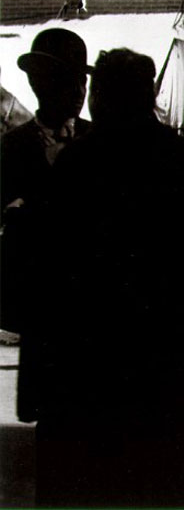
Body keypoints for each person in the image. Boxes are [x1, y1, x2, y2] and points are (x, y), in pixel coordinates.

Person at [27, 49, 184, 507]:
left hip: (88, 367)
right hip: (170, 368)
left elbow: (46, 269)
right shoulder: (179, 158)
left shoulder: (78, 163)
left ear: (100, 96)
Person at [0, 28, 92, 423]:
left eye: (82, 80)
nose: (79, 89)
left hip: (95, 317)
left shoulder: (98, 140)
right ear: (39, 83)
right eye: (68, 79)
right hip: (46, 316)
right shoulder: (13, 148)